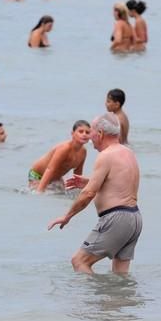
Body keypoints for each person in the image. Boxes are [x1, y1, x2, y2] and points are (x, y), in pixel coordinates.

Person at [47, 113, 141, 275]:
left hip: (116, 219)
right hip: (134, 218)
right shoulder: (127, 152)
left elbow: (88, 194)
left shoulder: (105, 156)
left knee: (79, 261)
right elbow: (119, 181)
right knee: (120, 276)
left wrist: (67, 216)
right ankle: (119, 300)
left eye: (91, 133)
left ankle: (92, 300)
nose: (90, 138)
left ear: (101, 134)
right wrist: (88, 182)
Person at [29, 120, 90, 193]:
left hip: (56, 178)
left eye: (87, 132)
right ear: (72, 133)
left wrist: (77, 191)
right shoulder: (64, 148)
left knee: (62, 195)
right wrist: (40, 191)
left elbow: (77, 175)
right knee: (38, 194)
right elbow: (50, 169)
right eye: (80, 131)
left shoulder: (83, 152)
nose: (84, 134)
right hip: (37, 175)